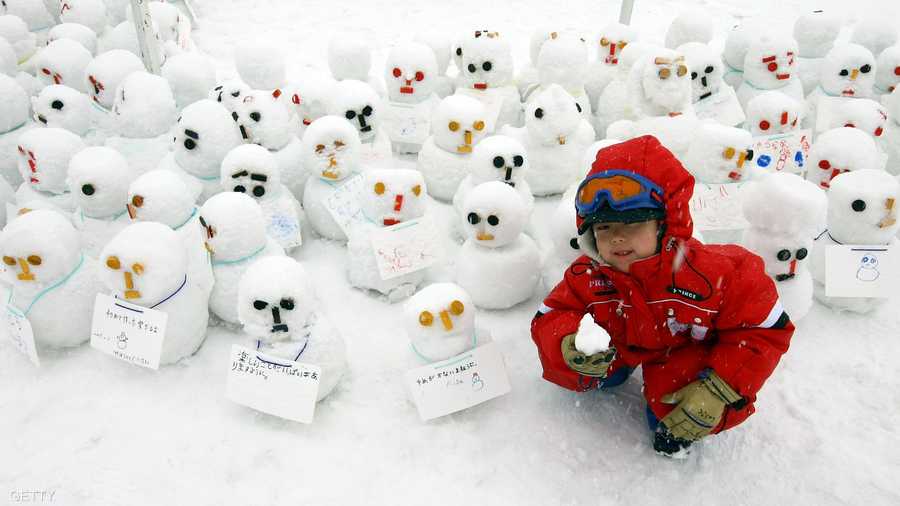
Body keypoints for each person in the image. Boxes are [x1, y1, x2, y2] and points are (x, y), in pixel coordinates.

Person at [530, 135, 793, 457]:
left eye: (634, 222)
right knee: (588, 369)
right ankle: (604, 369)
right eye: (604, 227)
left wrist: (720, 388)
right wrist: (568, 344)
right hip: (622, 342)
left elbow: (763, 330)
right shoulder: (587, 276)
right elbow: (552, 315)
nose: (617, 237)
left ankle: (684, 418)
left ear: (666, 222)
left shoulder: (718, 274)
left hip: (682, 353)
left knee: (674, 404)